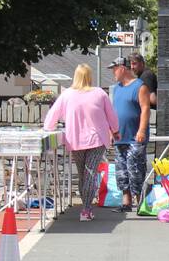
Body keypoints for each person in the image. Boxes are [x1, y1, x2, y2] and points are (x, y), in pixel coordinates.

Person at [43, 64, 119, 221]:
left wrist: (49, 127)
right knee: (90, 173)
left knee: (83, 174)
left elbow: (51, 117)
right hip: (97, 139)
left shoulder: (66, 95)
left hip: (75, 139)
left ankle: (86, 207)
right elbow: (112, 116)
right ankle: (86, 209)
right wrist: (115, 130)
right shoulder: (99, 93)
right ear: (89, 76)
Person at [110, 57, 150, 213]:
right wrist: (111, 130)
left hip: (135, 136)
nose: (113, 72)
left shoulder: (140, 87)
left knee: (135, 168)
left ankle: (140, 202)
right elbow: (114, 111)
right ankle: (126, 202)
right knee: (121, 170)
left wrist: (141, 130)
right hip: (120, 136)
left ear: (122, 68)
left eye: (114, 69)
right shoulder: (117, 88)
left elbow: (145, 109)